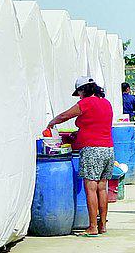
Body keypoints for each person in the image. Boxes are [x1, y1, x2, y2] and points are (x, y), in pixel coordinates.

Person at [49, 77, 115, 235]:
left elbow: (65, 116)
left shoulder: (86, 103)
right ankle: (102, 225)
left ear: (83, 90)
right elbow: (97, 124)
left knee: (90, 188)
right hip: (108, 149)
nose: (78, 96)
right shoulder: (105, 103)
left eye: (79, 92)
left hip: (92, 149)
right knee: (102, 188)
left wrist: (51, 123)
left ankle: (92, 226)